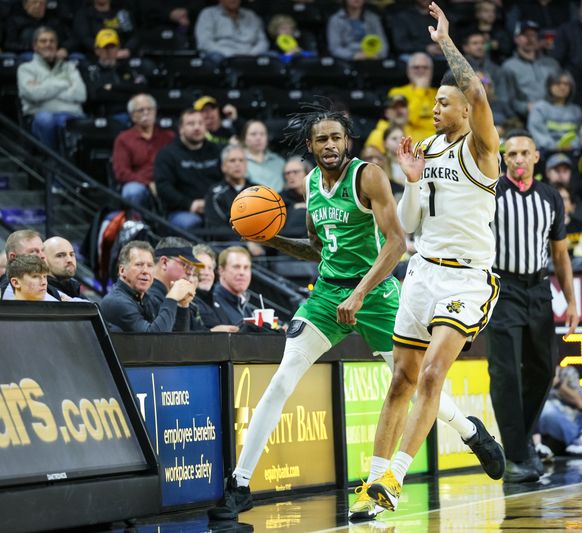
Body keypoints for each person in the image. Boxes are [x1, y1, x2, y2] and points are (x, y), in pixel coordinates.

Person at [207, 102, 495, 521]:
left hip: (376, 297)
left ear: (348, 142)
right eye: (321, 139)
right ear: (310, 145)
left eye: (336, 137)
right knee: (282, 378)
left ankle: (470, 431)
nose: (329, 145)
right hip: (326, 297)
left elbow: (396, 243)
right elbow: (318, 249)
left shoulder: (368, 176)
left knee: (413, 386)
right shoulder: (310, 183)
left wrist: (359, 294)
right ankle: (241, 483)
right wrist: (272, 238)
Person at [363, 3, 506, 513]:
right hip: (422, 272)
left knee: (430, 376)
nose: (436, 109)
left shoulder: (483, 149)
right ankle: (373, 487)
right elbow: (410, 223)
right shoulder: (425, 148)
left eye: (444, 103)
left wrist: (446, 41)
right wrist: (412, 180)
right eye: (436, 104)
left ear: (465, 110)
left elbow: (478, 90)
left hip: (467, 281)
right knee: (400, 378)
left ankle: (396, 478)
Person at [487, 129, 579, 482]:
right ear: (504, 159)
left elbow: (560, 253)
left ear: (536, 157)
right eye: (512, 154)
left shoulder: (550, 197)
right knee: (506, 372)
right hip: (502, 287)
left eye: (525, 153)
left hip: (540, 289)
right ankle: (516, 457)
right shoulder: (492, 193)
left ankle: (519, 447)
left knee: (543, 371)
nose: (519, 159)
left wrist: (572, 301)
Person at [99, 240, 195, 332]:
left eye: (149, 265)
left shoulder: (148, 300)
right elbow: (153, 340)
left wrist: (182, 305)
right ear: (122, 270)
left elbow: (176, 340)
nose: (145, 271)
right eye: (139, 264)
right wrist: (172, 297)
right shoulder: (116, 302)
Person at [17, 27, 86, 151]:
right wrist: (64, 83)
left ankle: (70, 162)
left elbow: (81, 94)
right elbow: (34, 95)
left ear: (57, 45)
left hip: (70, 114)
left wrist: (44, 86)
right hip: (40, 116)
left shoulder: (69, 67)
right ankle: (53, 161)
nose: (48, 44)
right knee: (46, 120)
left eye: (52, 41)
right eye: (43, 41)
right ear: (35, 46)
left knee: (69, 122)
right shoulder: (25, 69)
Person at [153, 109, 223, 229]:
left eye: (201, 123)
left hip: (217, 207)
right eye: (191, 124)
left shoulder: (218, 151)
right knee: (192, 222)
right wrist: (190, 204)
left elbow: (227, 180)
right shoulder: (167, 154)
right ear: (181, 128)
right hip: (182, 210)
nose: (197, 127)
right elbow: (163, 187)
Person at [112, 93, 175, 208]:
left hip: (166, 183)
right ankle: (136, 223)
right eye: (141, 110)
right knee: (132, 191)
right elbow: (122, 173)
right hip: (140, 184)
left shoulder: (169, 136)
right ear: (132, 116)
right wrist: (148, 183)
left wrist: (162, 184)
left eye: (149, 109)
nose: (146, 113)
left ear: (155, 111)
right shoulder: (123, 139)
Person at [80, 29, 147, 120]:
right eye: (105, 48)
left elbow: (140, 89)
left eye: (112, 47)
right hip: (99, 116)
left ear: (118, 49)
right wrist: (127, 94)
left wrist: (112, 87)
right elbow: (95, 95)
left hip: (127, 114)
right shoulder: (90, 70)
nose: (108, 51)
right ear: (97, 50)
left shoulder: (128, 69)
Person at [501, 19, 559, 122]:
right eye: (525, 35)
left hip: (553, 114)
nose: (530, 39)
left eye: (533, 35)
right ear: (516, 39)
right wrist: (525, 107)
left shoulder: (552, 64)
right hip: (524, 118)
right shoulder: (509, 66)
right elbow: (507, 99)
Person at [527, 70, 582, 154]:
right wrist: (555, 147)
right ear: (549, 86)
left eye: (566, 84)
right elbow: (538, 134)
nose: (562, 87)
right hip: (546, 153)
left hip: (572, 152)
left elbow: (581, 134)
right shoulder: (540, 108)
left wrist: (573, 145)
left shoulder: (576, 111)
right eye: (558, 83)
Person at [204, 145, 256, 235]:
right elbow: (217, 227)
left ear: (246, 165)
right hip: (229, 244)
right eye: (232, 160)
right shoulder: (215, 194)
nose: (237, 164)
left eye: (241, 160)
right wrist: (246, 243)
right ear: (223, 167)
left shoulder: (258, 190)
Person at [195, 0, 268, 63]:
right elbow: (204, 42)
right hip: (222, 56)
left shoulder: (251, 15)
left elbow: (262, 41)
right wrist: (229, 55)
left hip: (250, 55)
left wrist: (251, 54)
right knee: (214, 58)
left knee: (272, 57)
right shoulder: (208, 14)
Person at [387, 53, 437, 143]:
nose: (421, 70)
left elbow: (442, 124)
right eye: (416, 67)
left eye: (425, 67)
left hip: (436, 143)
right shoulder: (397, 92)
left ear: (431, 71)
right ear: (408, 71)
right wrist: (420, 90)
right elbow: (407, 119)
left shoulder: (439, 93)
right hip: (408, 143)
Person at [0, 229, 62, 301]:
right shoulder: (10, 289)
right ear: (13, 257)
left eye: (42, 250)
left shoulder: (48, 286)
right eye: (33, 251)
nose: (42, 256)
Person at [70, 0, 139, 57]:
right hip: (94, 56)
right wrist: (100, 50)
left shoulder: (121, 12)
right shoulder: (84, 14)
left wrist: (128, 49)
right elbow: (84, 37)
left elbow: (132, 35)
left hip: (121, 54)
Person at [240, 119, 285, 191]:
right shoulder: (239, 162)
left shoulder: (279, 161)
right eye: (253, 134)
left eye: (262, 134)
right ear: (244, 138)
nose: (258, 138)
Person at [278, 157, 312, 239]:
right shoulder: (279, 200)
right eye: (287, 173)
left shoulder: (319, 195)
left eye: (295, 172)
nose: (291, 176)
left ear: (307, 173)